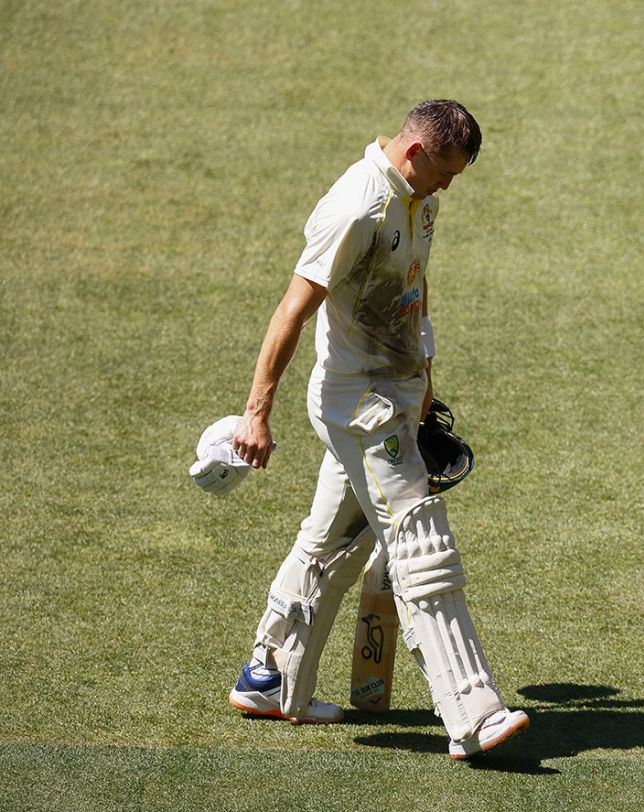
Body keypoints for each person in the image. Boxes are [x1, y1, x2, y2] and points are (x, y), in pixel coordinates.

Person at [225, 100, 528, 759]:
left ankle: (270, 677)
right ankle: (472, 716)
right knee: (421, 542)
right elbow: (292, 310)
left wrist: (424, 383)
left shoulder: (420, 197)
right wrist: (257, 412)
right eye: (444, 172)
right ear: (416, 151)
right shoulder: (356, 208)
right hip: (359, 405)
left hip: (395, 394)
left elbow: (412, 292)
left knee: (331, 543)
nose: (448, 187)